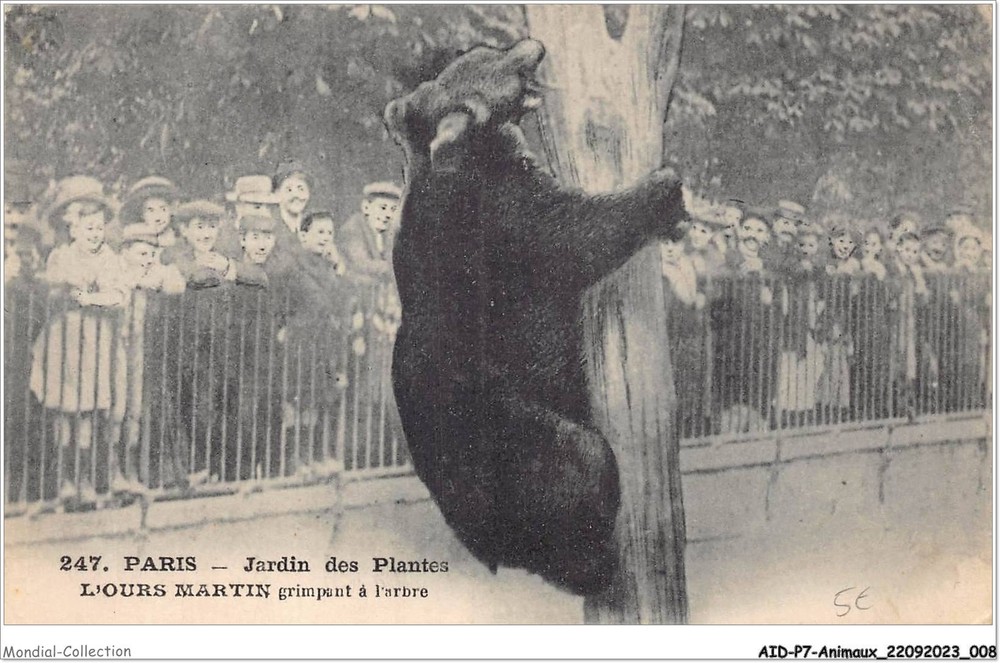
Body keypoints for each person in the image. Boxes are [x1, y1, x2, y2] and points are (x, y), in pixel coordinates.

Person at [29, 176, 128, 506]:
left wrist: (92, 298)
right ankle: (65, 481)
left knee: (87, 410)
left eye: (99, 227)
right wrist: (67, 286)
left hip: (95, 341)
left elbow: (119, 295)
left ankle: (86, 480)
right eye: (87, 227)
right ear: (72, 228)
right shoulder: (60, 256)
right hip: (64, 340)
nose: (94, 233)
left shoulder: (110, 259)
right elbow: (51, 289)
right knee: (64, 410)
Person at [161, 200, 237, 288]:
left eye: (212, 226)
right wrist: (195, 266)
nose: (206, 235)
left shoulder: (225, 258)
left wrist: (226, 269)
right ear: (184, 230)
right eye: (199, 227)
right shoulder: (173, 258)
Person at [340, 181, 401, 284]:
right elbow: (361, 263)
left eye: (393, 209)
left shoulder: (388, 231)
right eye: (383, 208)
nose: (388, 215)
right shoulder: (353, 227)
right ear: (366, 207)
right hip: (354, 289)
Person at [118, 176, 180, 253]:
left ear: (171, 210)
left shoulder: (177, 238)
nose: (158, 217)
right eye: (151, 211)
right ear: (141, 214)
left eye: (163, 209)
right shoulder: (131, 239)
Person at [233, 213, 278, 288]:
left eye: (268, 238)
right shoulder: (231, 269)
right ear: (242, 240)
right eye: (255, 238)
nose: (262, 246)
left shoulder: (277, 274)